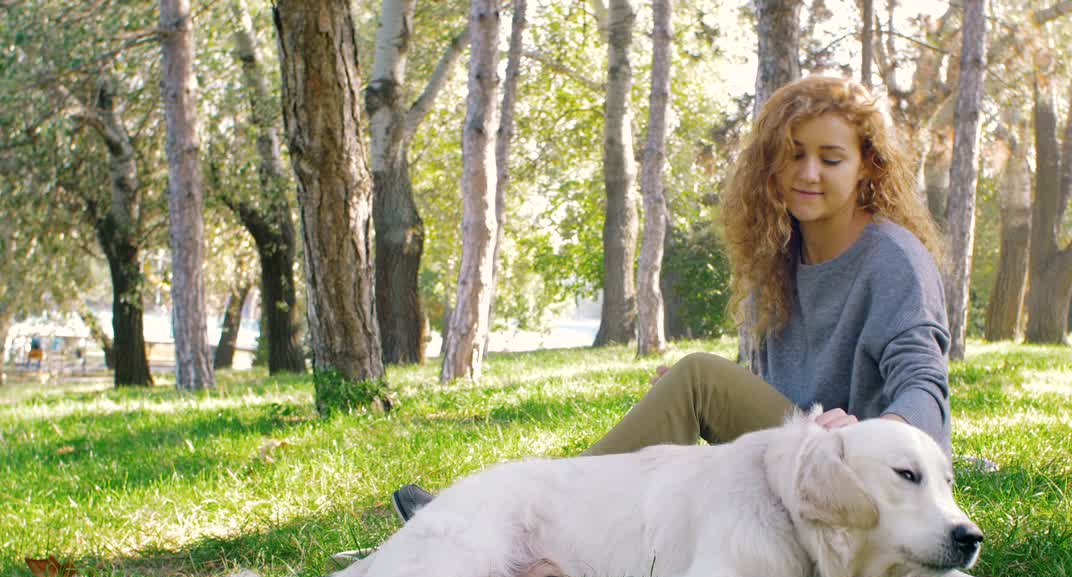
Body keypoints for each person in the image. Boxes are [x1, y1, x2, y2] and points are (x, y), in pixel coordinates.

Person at [391, 75, 951, 522]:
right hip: (797, 460)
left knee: (700, 377)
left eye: (830, 159)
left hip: (871, 480)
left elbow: (924, 385)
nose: (808, 173)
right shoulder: (778, 255)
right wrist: (692, 400)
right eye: (793, 154)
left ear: (867, 167)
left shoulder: (892, 259)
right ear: (770, 165)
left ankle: (518, 514)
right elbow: (785, 392)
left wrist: (861, 434)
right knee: (695, 383)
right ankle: (508, 522)